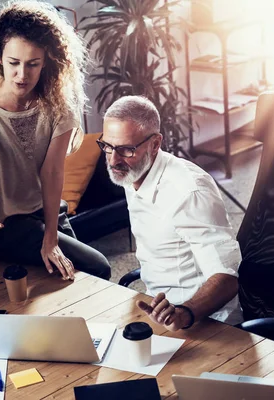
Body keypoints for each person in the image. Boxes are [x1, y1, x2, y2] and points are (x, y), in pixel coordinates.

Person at [0, 0, 111, 281]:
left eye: (33, 64)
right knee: (99, 267)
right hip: (6, 225)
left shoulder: (58, 105)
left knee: (82, 280)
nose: (22, 74)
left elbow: (52, 172)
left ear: (47, 62)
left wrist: (51, 237)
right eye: (13, 63)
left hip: (50, 213)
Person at [99, 95, 243, 331]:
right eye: (107, 146)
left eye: (126, 149)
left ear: (155, 144)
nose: (114, 160)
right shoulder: (131, 172)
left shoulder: (188, 192)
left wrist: (185, 313)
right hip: (157, 309)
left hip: (206, 322)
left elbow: (227, 278)